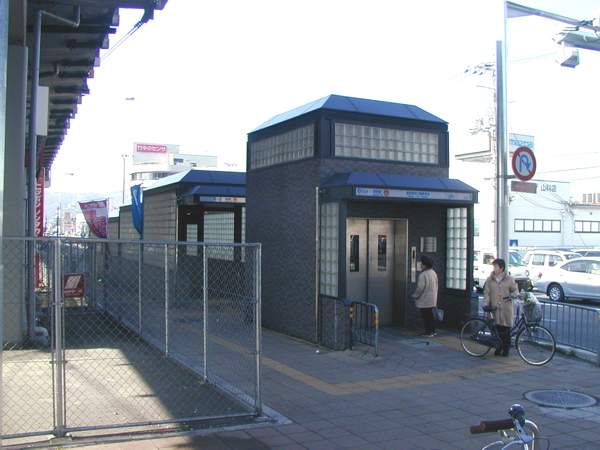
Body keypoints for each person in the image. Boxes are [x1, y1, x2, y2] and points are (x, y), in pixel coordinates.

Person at [483, 258, 519, 357]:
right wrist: (486, 304)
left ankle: (506, 348)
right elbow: (487, 293)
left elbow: (515, 290)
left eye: (496, 267)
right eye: (494, 267)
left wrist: (516, 295)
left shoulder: (510, 279)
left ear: (502, 268)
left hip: (506, 308)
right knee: (496, 329)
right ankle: (498, 347)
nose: (494, 269)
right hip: (494, 308)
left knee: (505, 329)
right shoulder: (490, 279)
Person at [412, 255, 438, 338]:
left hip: (425, 298)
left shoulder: (423, 275)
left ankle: (428, 331)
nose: (420, 265)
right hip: (432, 297)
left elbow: (420, 288)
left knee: (425, 316)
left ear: (424, 265)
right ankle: (432, 330)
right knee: (430, 315)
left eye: (421, 264)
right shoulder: (433, 273)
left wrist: (415, 295)